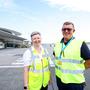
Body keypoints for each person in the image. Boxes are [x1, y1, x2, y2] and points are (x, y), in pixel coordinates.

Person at [53, 21, 90, 90]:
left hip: (75, 82)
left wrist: (80, 67)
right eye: (64, 29)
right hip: (60, 80)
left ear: (74, 31)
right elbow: (56, 57)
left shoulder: (80, 43)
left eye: (69, 29)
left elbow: (89, 61)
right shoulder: (57, 44)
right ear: (61, 31)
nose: (66, 31)